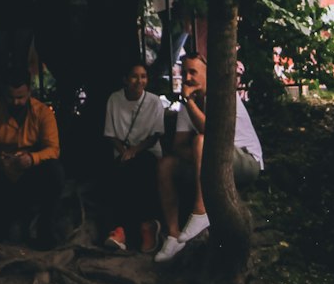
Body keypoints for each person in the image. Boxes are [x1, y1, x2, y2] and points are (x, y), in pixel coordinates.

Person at [154, 53, 263, 263]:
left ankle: (201, 211)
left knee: (202, 142)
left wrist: (198, 148)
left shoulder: (222, 97)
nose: (187, 77)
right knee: (166, 165)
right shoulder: (190, 104)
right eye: (184, 72)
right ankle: (173, 236)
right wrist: (197, 154)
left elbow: (217, 139)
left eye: (193, 72)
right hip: (215, 161)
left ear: (206, 75)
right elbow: (178, 146)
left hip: (246, 161)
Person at [0, 65, 64, 246]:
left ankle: (45, 229)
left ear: (29, 92)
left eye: (20, 97)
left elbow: (53, 149)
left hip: (30, 176)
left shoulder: (43, 113)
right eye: (10, 98)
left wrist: (32, 159)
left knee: (55, 170)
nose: (15, 103)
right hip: (2, 176)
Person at [100, 59, 167, 252]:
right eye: (134, 76)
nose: (139, 81)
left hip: (146, 153)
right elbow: (110, 133)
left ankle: (139, 229)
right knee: (115, 178)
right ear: (125, 80)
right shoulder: (114, 99)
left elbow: (155, 136)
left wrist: (134, 151)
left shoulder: (154, 102)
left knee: (138, 171)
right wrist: (124, 152)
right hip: (121, 153)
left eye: (143, 76)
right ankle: (121, 230)